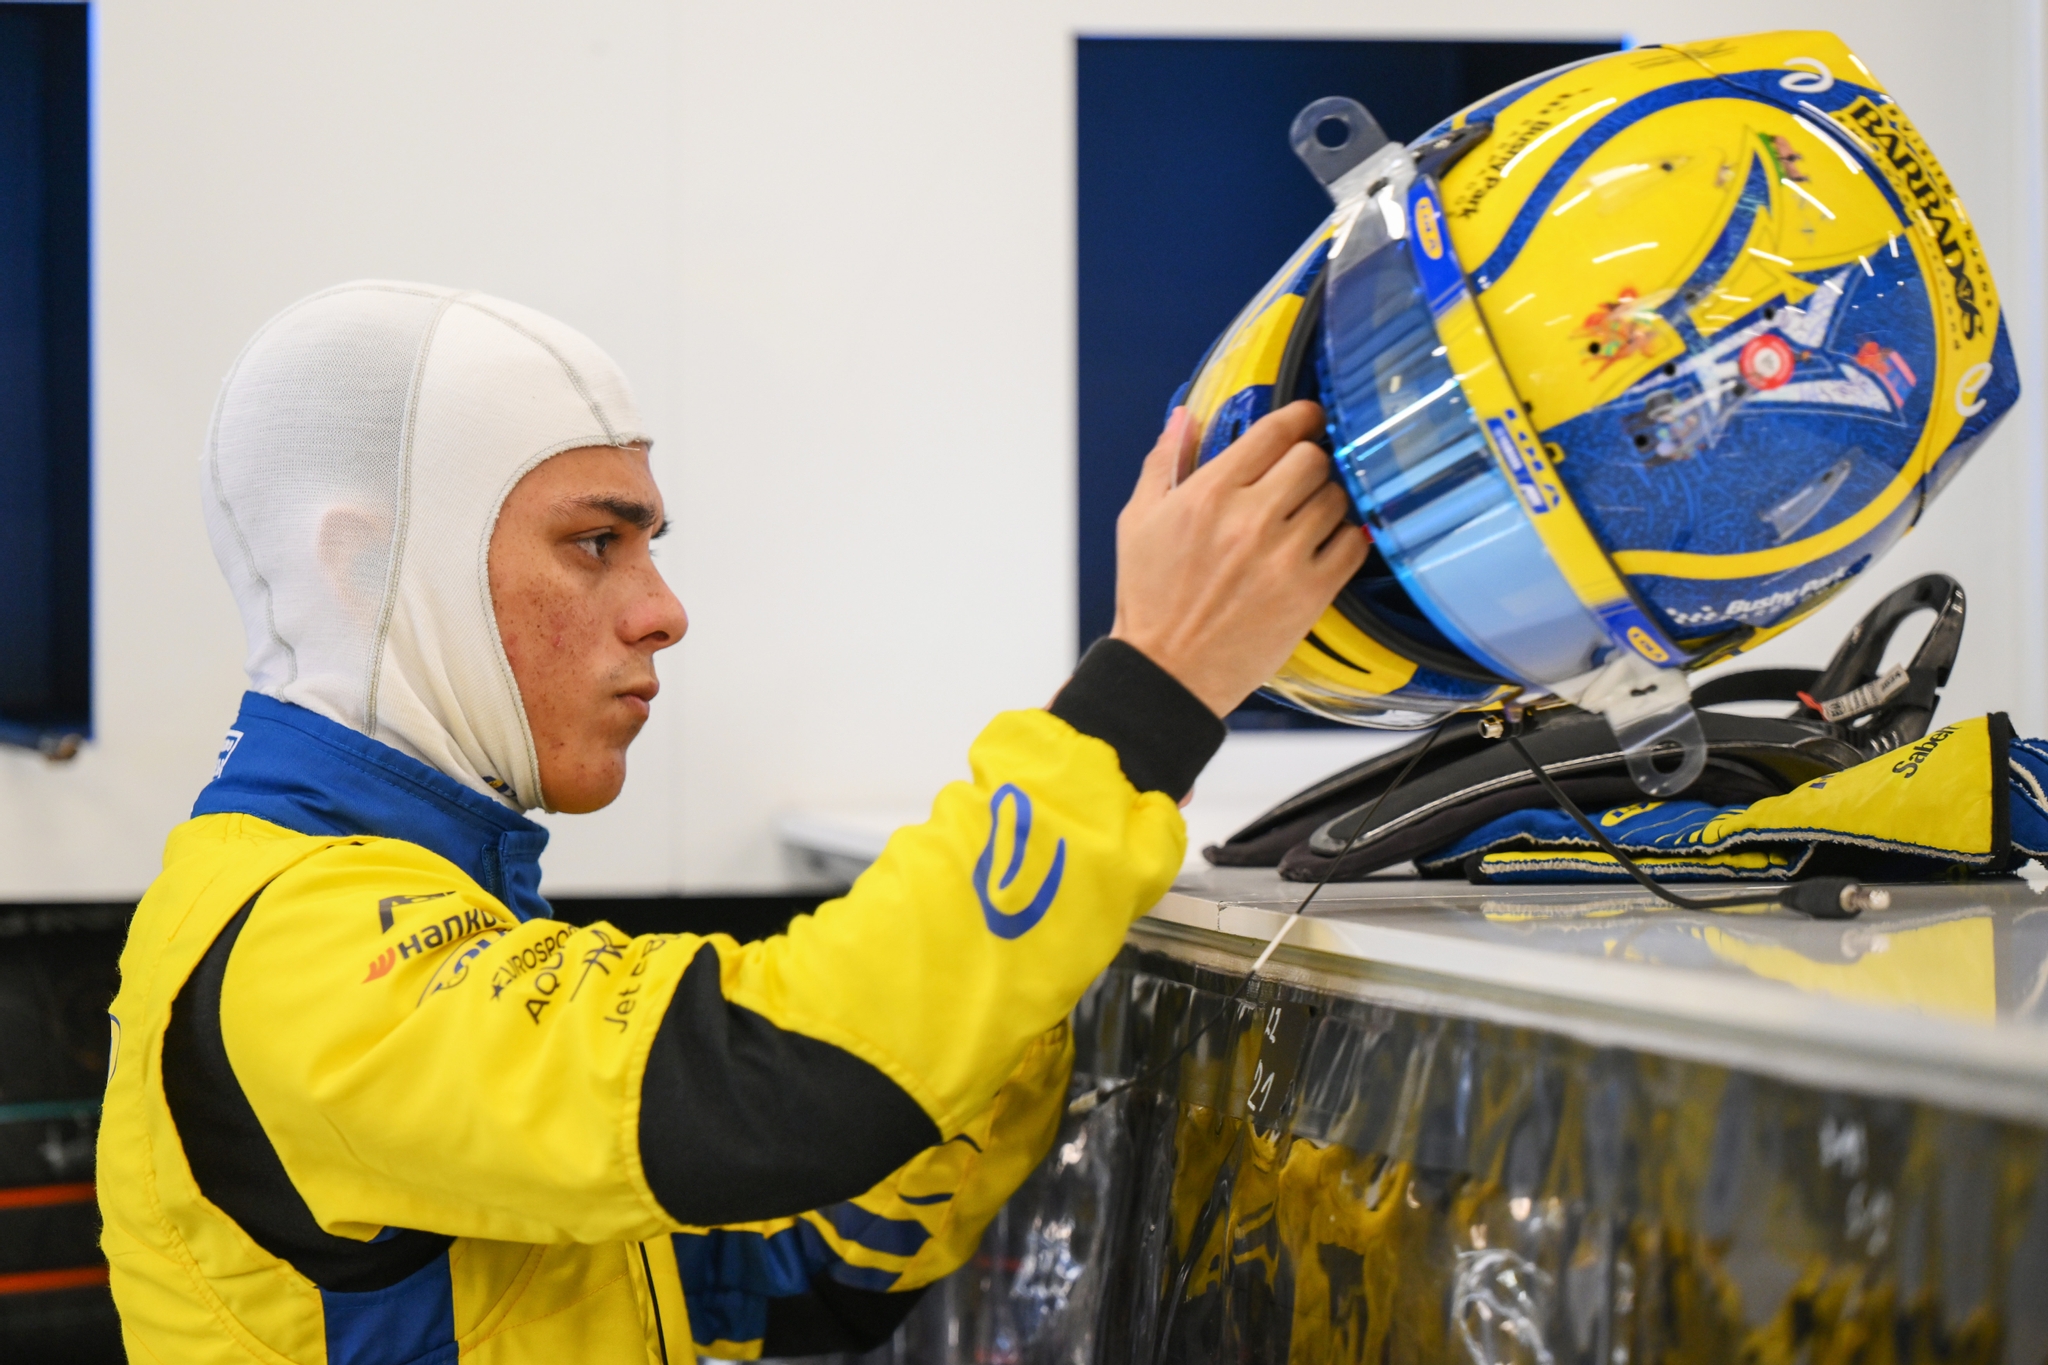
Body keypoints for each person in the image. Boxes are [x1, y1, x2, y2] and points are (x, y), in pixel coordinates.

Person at [97, 281, 1365, 1362]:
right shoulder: (298, 954)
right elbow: (782, 1097)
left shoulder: (423, 902)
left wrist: (1065, 888)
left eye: (648, 543)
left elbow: (791, 1270)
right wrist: (1143, 699)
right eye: (595, 543)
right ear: (363, 567)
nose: (662, 609)